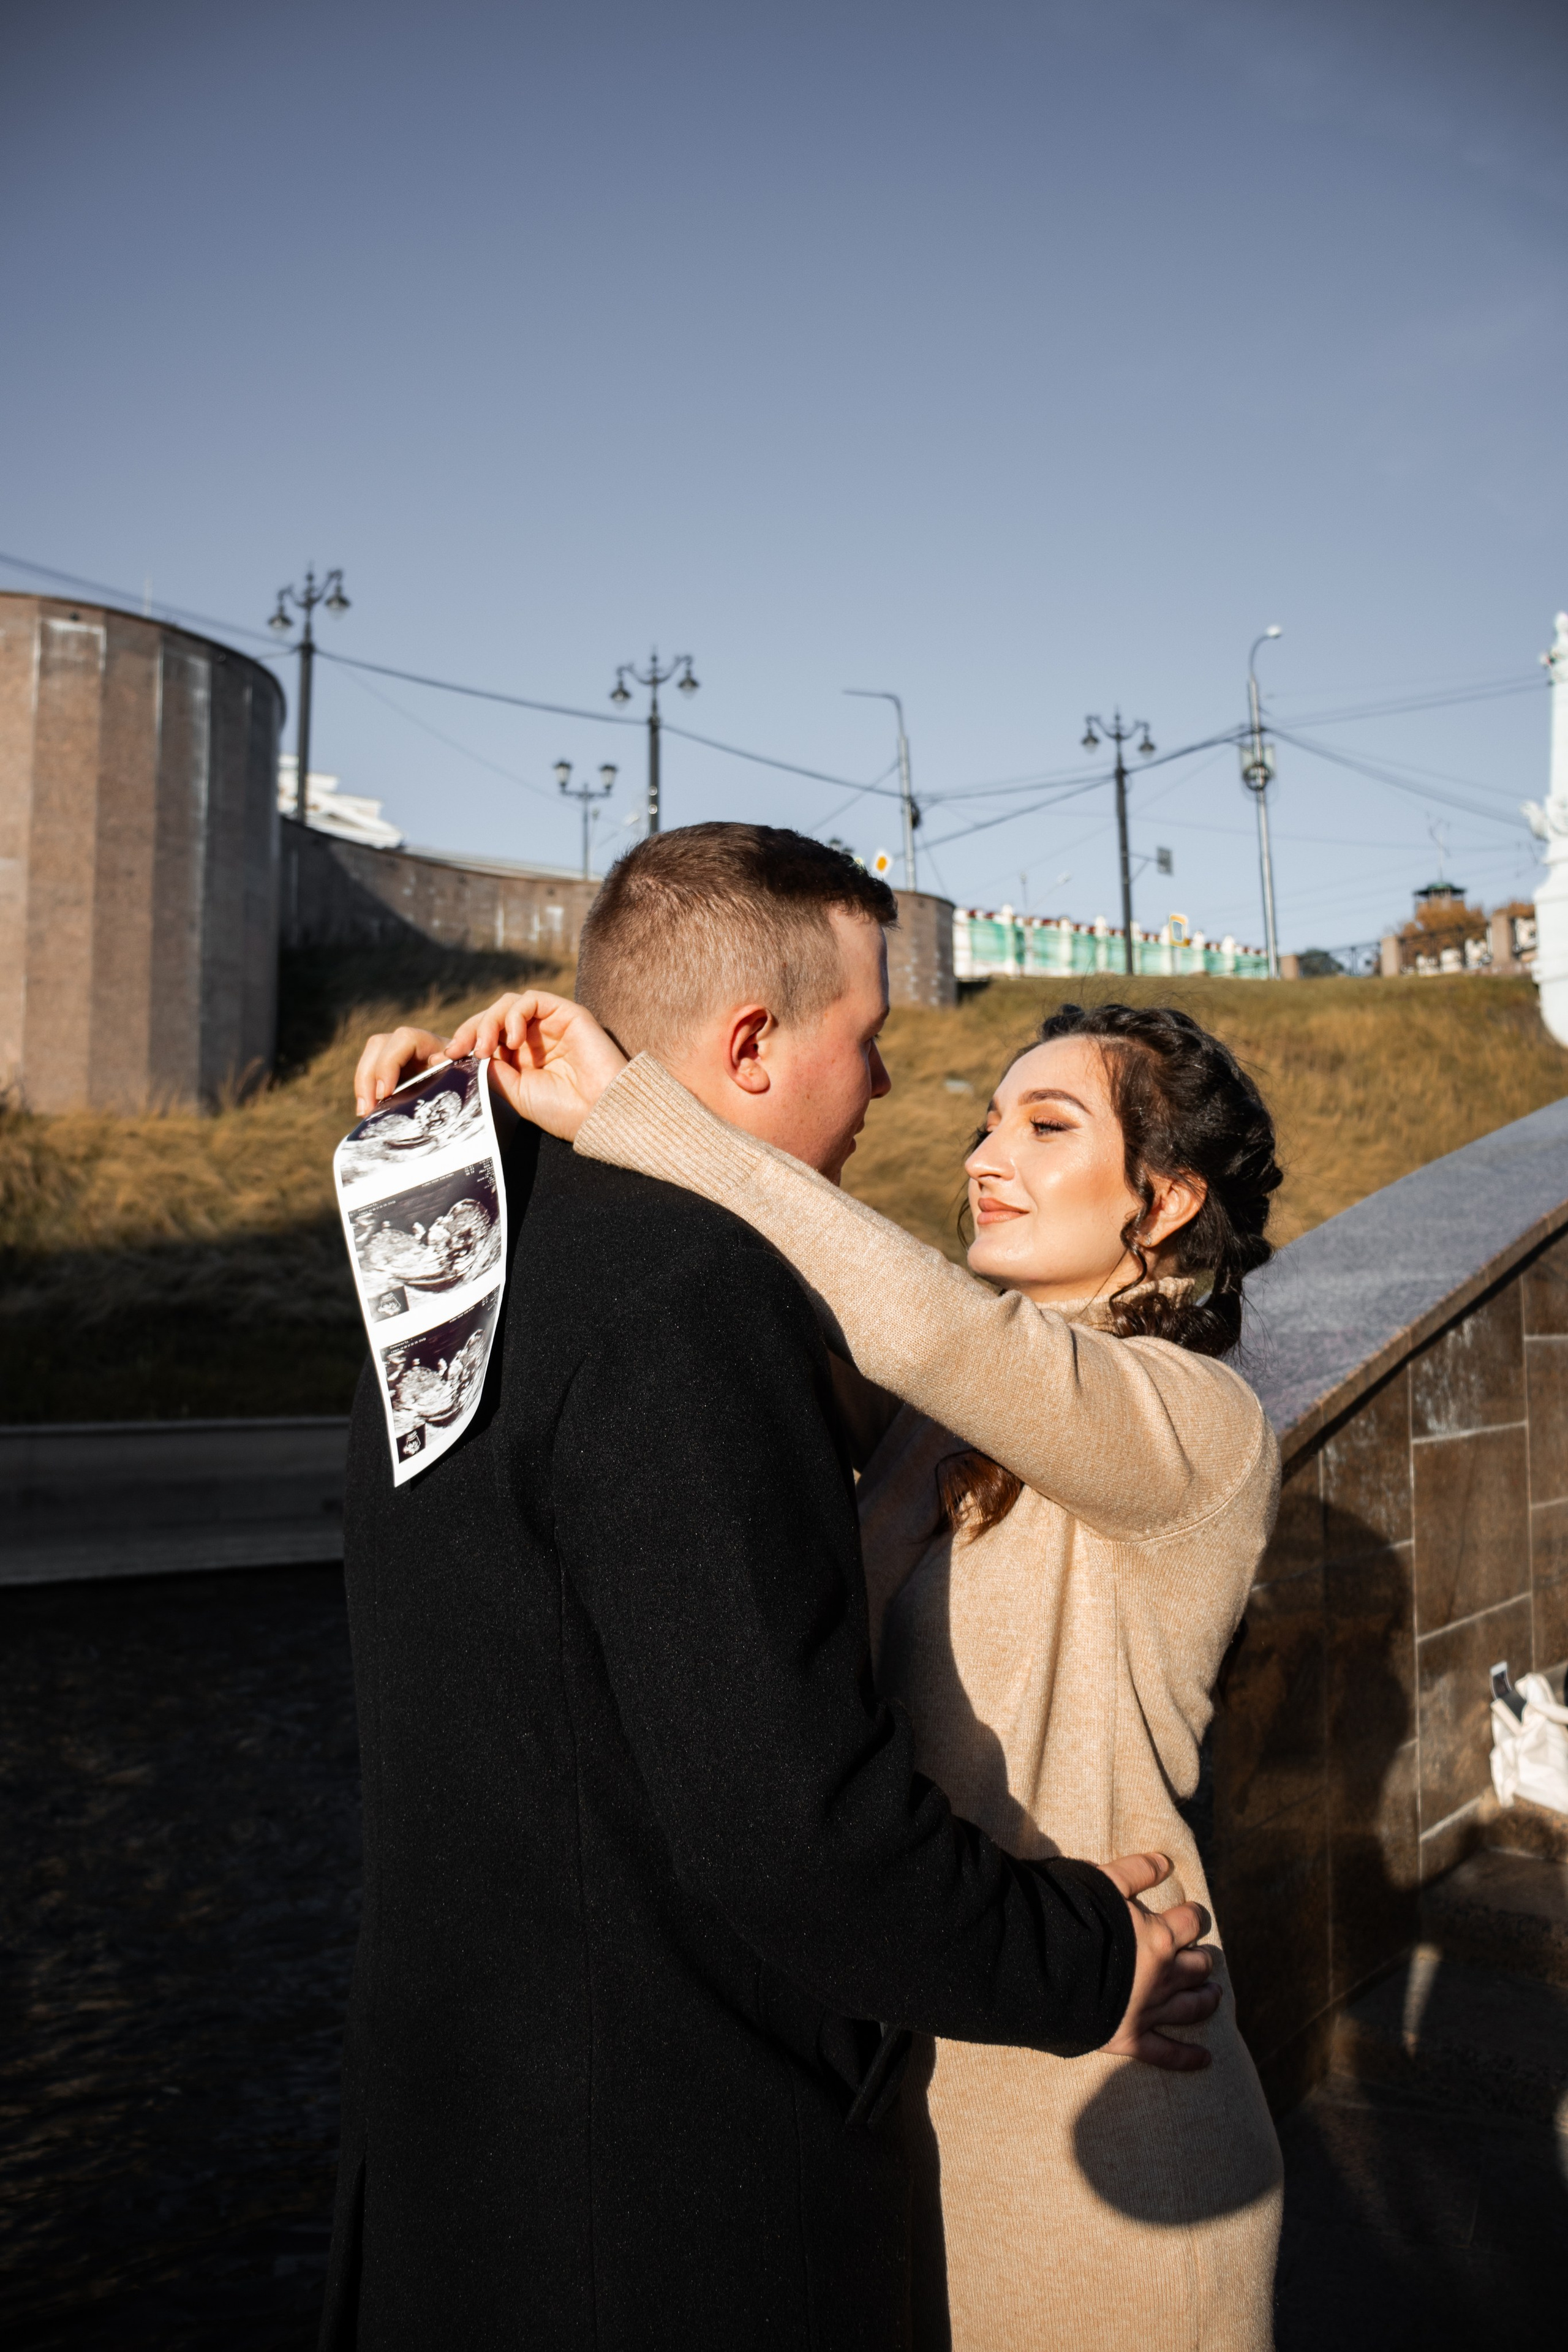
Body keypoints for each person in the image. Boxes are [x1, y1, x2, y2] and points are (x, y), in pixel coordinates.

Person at [331, 824, 1221, 2352]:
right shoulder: (691, 1303)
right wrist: (1086, 1956)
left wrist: (465, 1133)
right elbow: (783, 1832)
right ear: (751, 1041)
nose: (896, 1096)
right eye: (866, 1039)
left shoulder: (447, 1259)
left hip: (461, 2163)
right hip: (668, 2205)